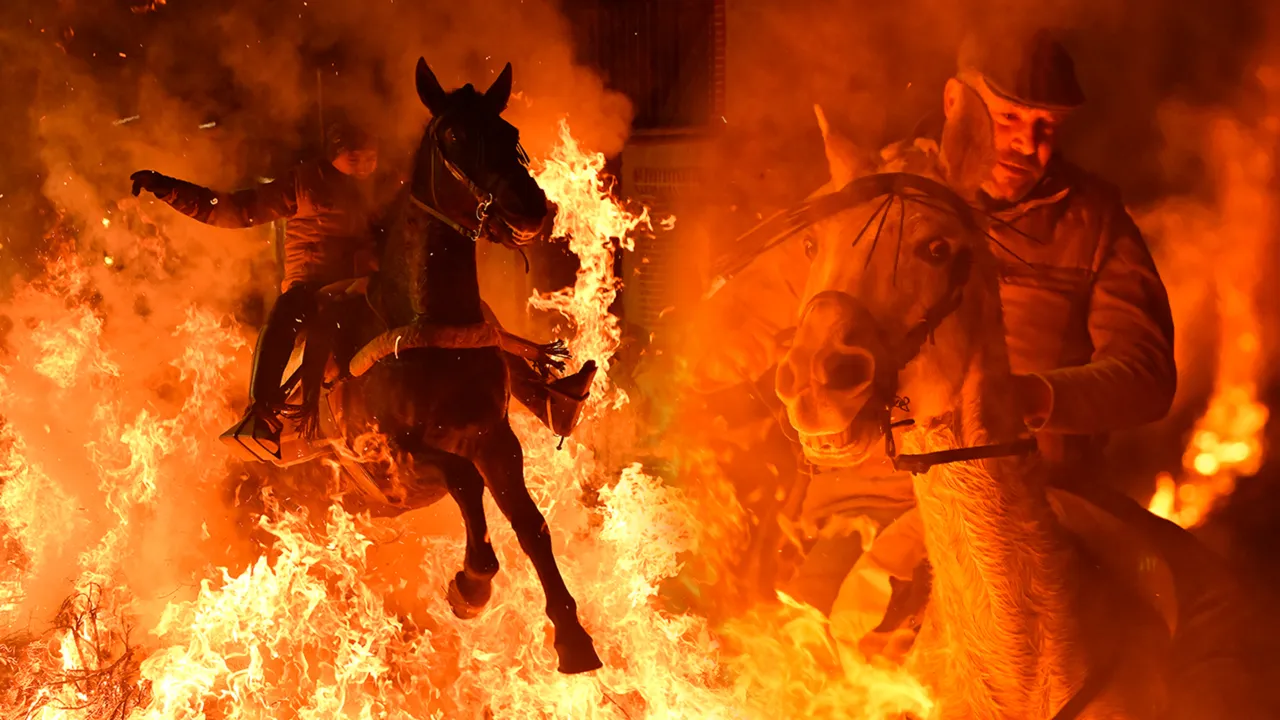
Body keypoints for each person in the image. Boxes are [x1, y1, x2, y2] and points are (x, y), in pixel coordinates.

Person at [695, 29, 1177, 622]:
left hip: (1033, 499)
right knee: (823, 650)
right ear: (956, 104)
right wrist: (679, 370)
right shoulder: (871, 200)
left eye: (1046, 126)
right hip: (868, 502)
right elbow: (751, 320)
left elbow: (1146, 373)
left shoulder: (1092, 222)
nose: (1027, 144)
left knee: (1199, 608)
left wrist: (1037, 397)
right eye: (1007, 117)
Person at [133, 121, 594, 460]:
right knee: (285, 315)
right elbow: (233, 210)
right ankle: (264, 412)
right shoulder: (304, 182)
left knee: (472, 319)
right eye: (354, 148)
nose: (364, 156)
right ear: (334, 148)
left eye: (369, 147)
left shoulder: (386, 184)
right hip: (315, 287)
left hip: (375, 285)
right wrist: (167, 188)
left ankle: (543, 399)